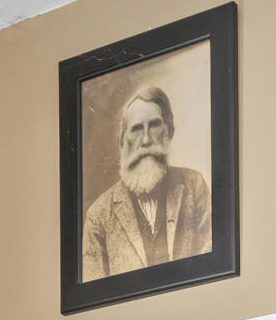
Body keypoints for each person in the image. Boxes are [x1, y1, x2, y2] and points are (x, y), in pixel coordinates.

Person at [78, 83, 211, 279]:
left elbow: (211, 268)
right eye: (137, 128)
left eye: (155, 125)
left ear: (169, 131)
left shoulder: (195, 186)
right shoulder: (98, 216)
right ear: (122, 140)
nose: (146, 140)